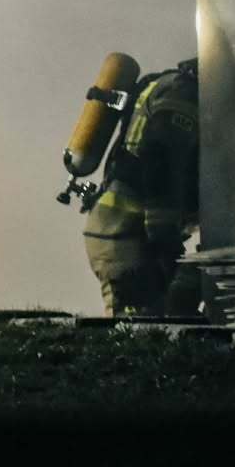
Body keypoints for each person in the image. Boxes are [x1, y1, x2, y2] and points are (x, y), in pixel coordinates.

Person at [82, 58, 199, 317]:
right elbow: (161, 157)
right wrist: (164, 237)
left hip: (127, 232)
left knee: (158, 323)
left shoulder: (173, 85)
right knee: (135, 330)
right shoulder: (185, 94)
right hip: (122, 236)